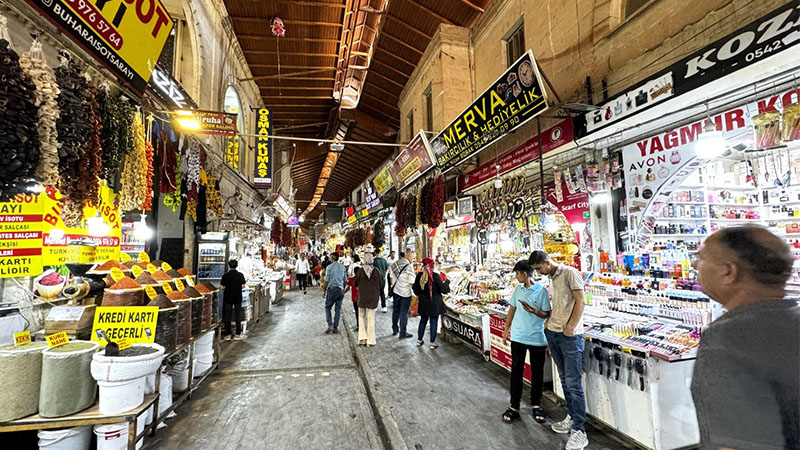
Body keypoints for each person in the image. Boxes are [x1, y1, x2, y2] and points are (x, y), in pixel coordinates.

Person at [691, 226, 799, 449]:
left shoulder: (727, 338)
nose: (695, 265)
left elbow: (738, 444)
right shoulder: (792, 320)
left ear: (729, 271)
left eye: (701, 258)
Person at [528, 250, 587, 450]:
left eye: (538, 268)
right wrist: (549, 321)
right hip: (554, 333)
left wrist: (570, 326)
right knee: (564, 380)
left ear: (546, 262)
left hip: (570, 336)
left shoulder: (570, 273)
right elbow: (561, 304)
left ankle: (580, 430)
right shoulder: (551, 277)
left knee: (573, 383)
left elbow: (581, 300)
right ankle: (571, 417)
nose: (537, 272)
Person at [501, 261, 551, 424]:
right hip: (518, 336)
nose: (516, 277)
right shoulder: (518, 290)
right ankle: (514, 406)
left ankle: (536, 404)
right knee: (516, 372)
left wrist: (534, 311)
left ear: (524, 274)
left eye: (517, 274)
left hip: (537, 337)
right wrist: (507, 327)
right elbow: (512, 309)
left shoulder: (542, 291)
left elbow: (546, 314)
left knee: (537, 374)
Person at [412, 257, 450, 349]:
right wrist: (447, 281)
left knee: (423, 321)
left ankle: (419, 340)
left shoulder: (419, 276)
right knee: (433, 321)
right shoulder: (435, 276)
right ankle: (432, 343)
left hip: (423, 303)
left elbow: (415, 290)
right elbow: (444, 290)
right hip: (434, 303)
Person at [354, 252, 383, 347]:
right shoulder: (376, 271)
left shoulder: (360, 271)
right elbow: (381, 284)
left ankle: (362, 338)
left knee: (361, 317)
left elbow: (355, 283)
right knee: (371, 319)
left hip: (362, 297)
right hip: (373, 298)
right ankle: (370, 340)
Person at [389, 251, 416, 339]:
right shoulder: (408, 267)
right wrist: (415, 293)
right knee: (404, 313)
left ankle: (395, 329)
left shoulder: (395, 264)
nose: (414, 260)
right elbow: (412, 282)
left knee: (396, 311)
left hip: (396, 291)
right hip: (406, 293)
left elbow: (391, 277)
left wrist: (393, 287)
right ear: (408, 257)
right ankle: (402, 333)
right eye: (413, 258)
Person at [220, 259, 247, 341]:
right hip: (237, 297)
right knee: (238, 315)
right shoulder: (240, 275)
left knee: (228, 316)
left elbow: (222, 287)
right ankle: (237, 334)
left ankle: (228, 334)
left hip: (228, 298)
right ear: (237, 266)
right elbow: (243, 286)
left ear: (229, 266)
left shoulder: (225, 276)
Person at [323, 252, 347, 334]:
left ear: (332, 258)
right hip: (340, 290)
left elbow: (326, 280)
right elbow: (345, 280)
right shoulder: (342, 267)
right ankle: (336, 327)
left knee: (327, 307)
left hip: (331, 290)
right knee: (338, 310)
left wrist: (324, 290)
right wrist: (342, 289)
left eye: (330, 258)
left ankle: (330, 325)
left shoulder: (329, 267)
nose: (329, 259)